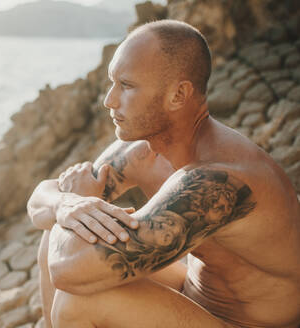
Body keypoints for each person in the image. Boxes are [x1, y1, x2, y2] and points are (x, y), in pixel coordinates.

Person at [27, 19, 300, 328]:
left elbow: (68, 271)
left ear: (178, 95)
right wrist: (66, 204)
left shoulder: (218, 181)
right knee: (58, 228)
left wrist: (75, 199)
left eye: (127, 86)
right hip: (195, 295)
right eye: (112, 83)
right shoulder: (143, 151)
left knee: (78, 298)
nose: (109, 100)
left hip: (247, 324)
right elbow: (41, 199)